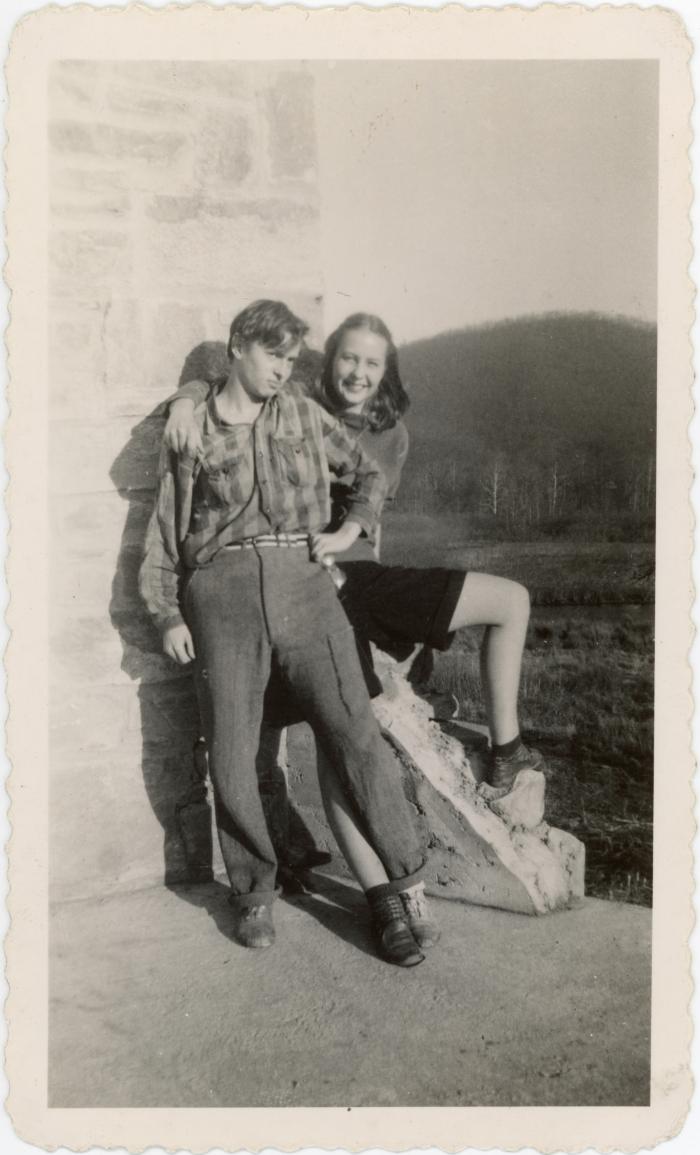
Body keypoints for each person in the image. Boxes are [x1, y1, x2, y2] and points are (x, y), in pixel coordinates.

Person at [165, 312, 545, 920]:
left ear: (386, 370)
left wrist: (350, 540)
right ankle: (382, 897)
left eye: (372, 363)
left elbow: (370, 507)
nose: (358, 372)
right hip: (306, 588)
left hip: (362, 575)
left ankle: (508, 749)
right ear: (326, 362)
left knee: (511, 601)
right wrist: (185, 402)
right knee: (342, 733)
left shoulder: (389, 432)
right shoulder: (285, 399)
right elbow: (220, 377)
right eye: (347, 358)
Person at [140, 300, 434, 968]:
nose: (282, 370)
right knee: (235, 751)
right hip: (222, 587)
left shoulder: (302, 411)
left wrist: (348, 530)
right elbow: (164, 532)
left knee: (354, 728)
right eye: (273, 355)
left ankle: (408, 880)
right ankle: (254, 893)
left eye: (291, 358)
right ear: (238, 347)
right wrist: (166, 614)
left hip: (304, 576)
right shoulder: (193, 429)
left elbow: (367, 475)